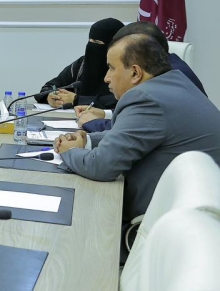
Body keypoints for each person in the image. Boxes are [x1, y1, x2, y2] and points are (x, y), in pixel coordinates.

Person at [54, 34, 220, 256]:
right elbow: (128, 135)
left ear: (135, 73)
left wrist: (70, 151)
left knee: (63, 235)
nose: (106, 78)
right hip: (196, 228)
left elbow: (101, 166)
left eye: (111, 68)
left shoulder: (146, 99)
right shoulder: (177, 83)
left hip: (159, 238)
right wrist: (89, 140)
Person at [76, 21, 207, 132]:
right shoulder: (167, 66)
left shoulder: (167, 76)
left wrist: (91, 122)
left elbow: (132, 128)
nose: (106, 78)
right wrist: (105, 113)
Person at [34, 17, 125, 110]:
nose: (91, 46)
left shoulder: (124, 67)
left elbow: (120, 100)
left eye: (97, 42)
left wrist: (78, 100)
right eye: (90, 41)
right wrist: (50, 96)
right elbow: (50, 86)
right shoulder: (83, 63)